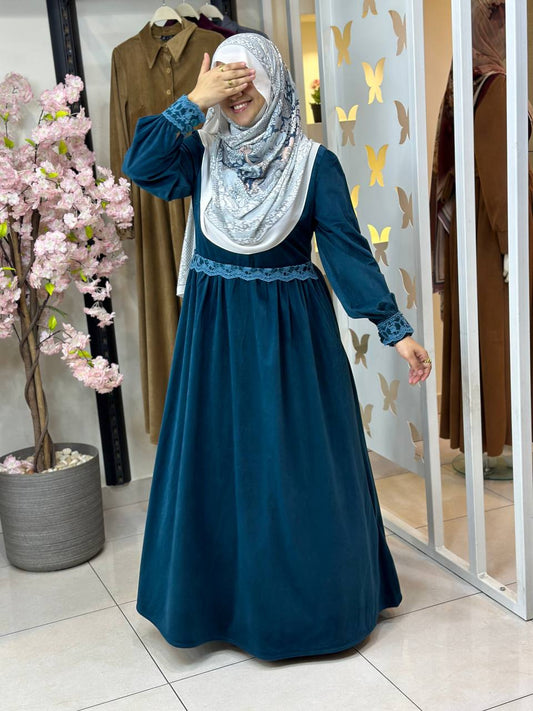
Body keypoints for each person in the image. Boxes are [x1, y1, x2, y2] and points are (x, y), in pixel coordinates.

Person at [123, 34, 432, 662]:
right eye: (227, 81)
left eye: (247, 79)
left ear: (273, 82)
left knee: (293, 466)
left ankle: (311, 609)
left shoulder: (314, 164)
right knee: (218, 462)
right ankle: (219, 606)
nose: (237, 94)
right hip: (214, 337)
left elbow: (346, 250)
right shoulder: (200, 152)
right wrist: (193, 101)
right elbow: (140, 164)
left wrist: (394, 329)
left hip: (291, 341)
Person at [432, 0, 533, 459]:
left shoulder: (468, 82)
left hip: (473, 229)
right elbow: (497, 173)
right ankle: (499, 439)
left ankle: (483, 434)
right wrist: (511, 244)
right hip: (493, 231)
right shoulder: (495, 86)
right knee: (496, 329)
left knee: (481, 327)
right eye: (502, 25)